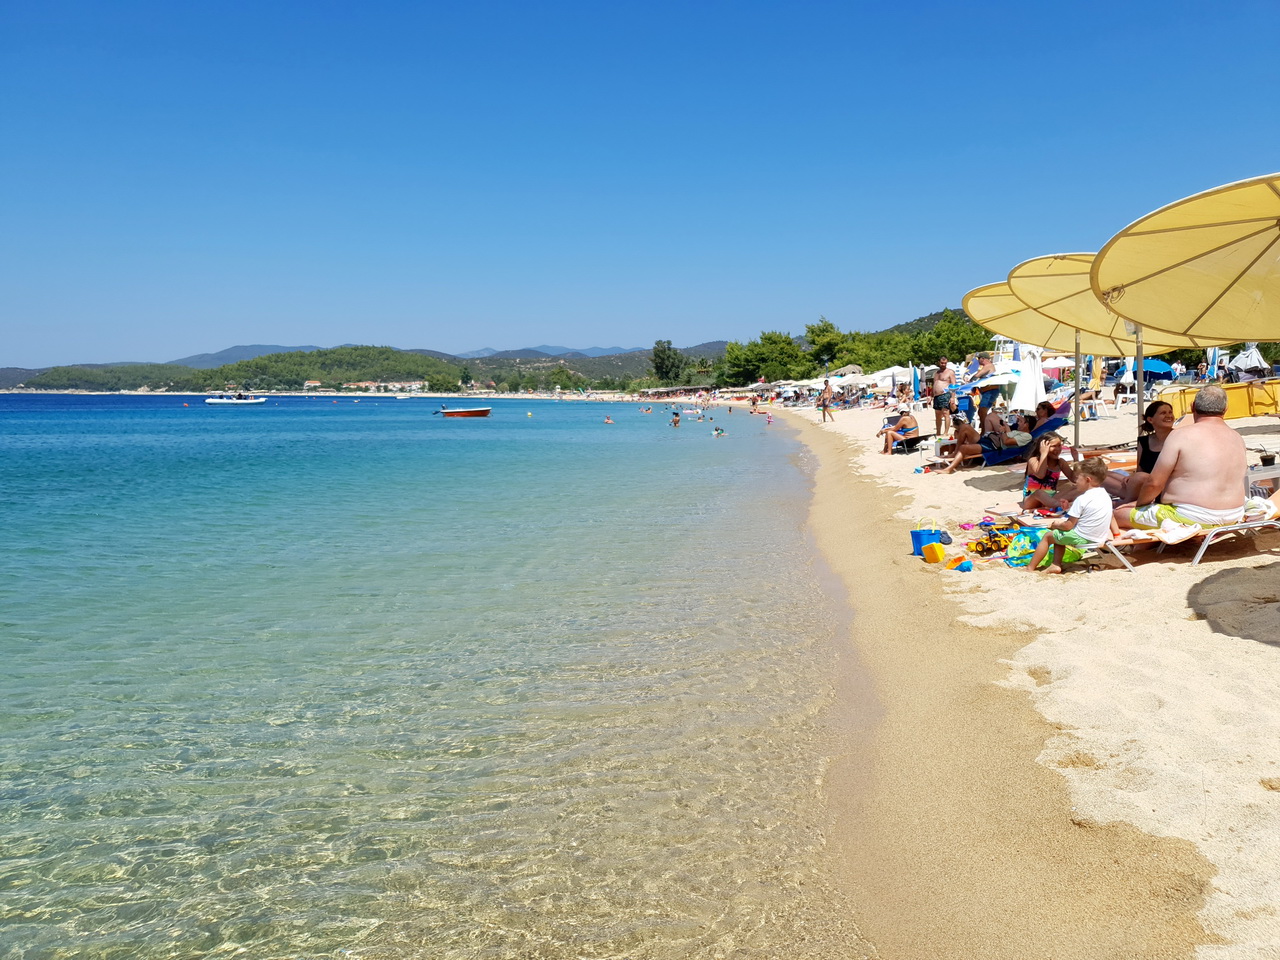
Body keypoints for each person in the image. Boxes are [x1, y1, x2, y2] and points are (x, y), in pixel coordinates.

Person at [1114, 385, 1247, 530]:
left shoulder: (1180, 435)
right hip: (1235, 514)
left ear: (1192, 406)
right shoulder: (1237, 437)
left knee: (1118, 514)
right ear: (1225, 409)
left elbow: (1154, 483)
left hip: (1190, 516)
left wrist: (1139, 505)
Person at [1026, 457, 1117, 574]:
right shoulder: (1104, 495)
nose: (1075, 481)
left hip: (1084, 537)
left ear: (1088, 480)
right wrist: (1068, 508)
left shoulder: (1082, 499)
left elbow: (1068, 525)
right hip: (1099, 535)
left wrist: (1056, 524)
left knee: (1048, 536)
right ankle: (1055, 564)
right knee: (1058, 536)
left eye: (1078, 478)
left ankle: (1030, 568)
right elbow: (1101, 514)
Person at [1103, 400, 1176, 503]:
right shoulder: (1144, 441)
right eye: (1163, 413)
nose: (1169, 416)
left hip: (1164, 487)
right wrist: (1132, 478)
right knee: (1103, 475)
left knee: (1140, 477)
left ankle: (1126, 502)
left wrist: (1137, 478)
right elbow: (1140, 469)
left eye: (1170, 412)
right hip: (1143, 484)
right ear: (1150, 419)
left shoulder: (1178, 438)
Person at [939, 413, 1034, 473]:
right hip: (989, 439)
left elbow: (1006, 442)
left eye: (1021, 421)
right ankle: (955, 453)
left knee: (964, 448)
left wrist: (1002, 431)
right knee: (965, 427)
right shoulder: (1019, 432)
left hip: (993, 445)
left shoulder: (1027, 436)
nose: (1018, 423)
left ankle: (949, 469)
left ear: (1027, 425)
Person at [1021, 432, 1076, 511]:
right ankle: (1062, 505)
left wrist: (1076, 460)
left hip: (1051, 498)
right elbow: (1041, 475)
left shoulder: (1060, 462)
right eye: (1053, 446)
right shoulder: (1033, 460)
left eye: (1059, 446)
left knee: (1075, 487)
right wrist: (1044, 454)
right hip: (1031, 500)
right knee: (1039, 492)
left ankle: (1059, 504)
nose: (1057, 449)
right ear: (1043, 447)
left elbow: (1074, 479)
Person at [931, 356, 958, 437]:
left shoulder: (950, 372)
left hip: (945, 394)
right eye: (942, 363)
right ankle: (938, 432)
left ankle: (946, 432)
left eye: (945, 363)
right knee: (937, 414)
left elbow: (953, 385)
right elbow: (934, 384)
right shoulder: (936, 373)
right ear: (939, 362)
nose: (943, 364)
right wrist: (931, 396)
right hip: (936, 396)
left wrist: (952, 397)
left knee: (946, 413)